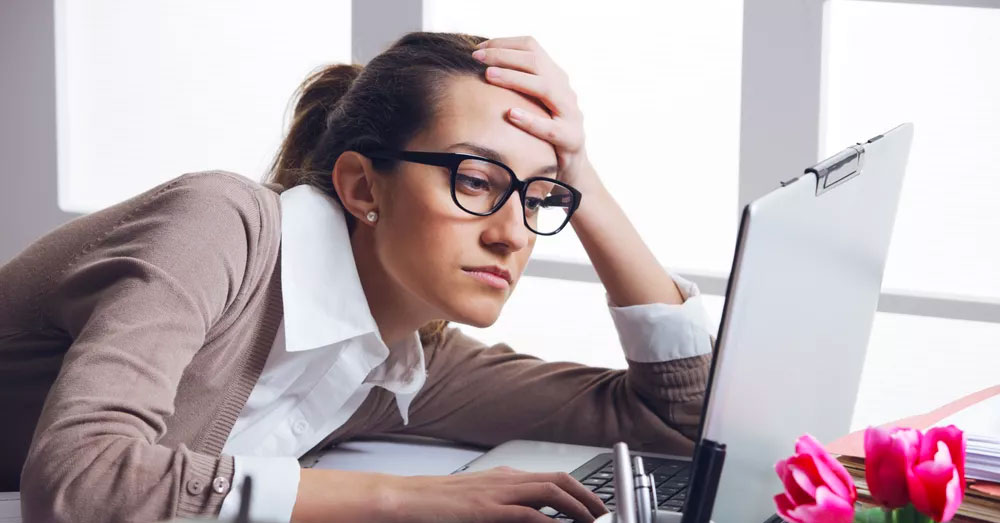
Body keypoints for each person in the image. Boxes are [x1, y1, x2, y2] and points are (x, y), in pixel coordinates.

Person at [0, 32, 714, 522]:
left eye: (538, 198)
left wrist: (578, 168)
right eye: (474, 180)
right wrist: (408, 499)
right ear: (363, 189)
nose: (512, 231)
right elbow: (77, 481)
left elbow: (678, 424)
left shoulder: (400, 360)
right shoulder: (219, 226)